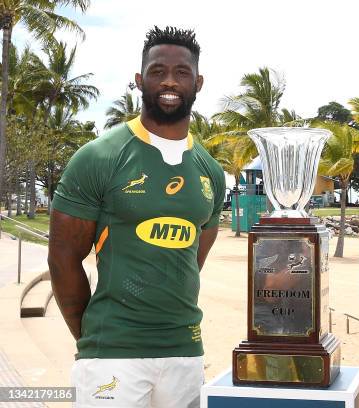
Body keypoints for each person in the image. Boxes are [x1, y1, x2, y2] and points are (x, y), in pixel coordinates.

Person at [48, 26, 225, 408]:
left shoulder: (210, 171)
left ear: (198, 82)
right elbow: (63, 260)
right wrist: (94, 338)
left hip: (185, 352)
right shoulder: (98, 158)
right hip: (113, 357)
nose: (169, 81)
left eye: (182, 73)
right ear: (139, 80)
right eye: (158, 70)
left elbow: (192, 259)